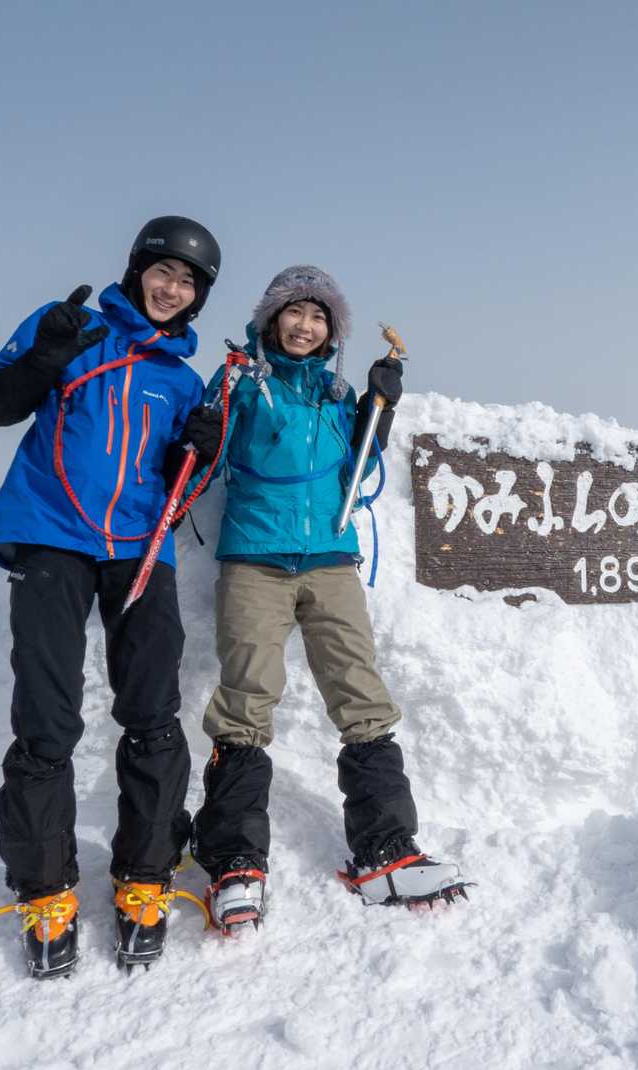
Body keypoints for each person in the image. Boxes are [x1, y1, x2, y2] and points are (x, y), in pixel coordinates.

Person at [0, 216, 226, 977]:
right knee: (46, 716)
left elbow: (179, 489)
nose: (172, 289)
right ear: (136, 269)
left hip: (138, 547)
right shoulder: (72, 327)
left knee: (152, 711)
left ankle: (146, 876)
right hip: (51, 535)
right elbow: (0, 404)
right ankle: (44, 889)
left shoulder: (181, 380)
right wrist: (46, 354)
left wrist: (200, 450)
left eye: (188, 283)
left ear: (198, 298)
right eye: (163, 272)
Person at [190, 265, 466, 933]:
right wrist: (203, 428)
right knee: (245, 701)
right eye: (294, 312)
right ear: (271, 319)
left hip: (332, 561)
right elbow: (207, 460)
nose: (305, 325)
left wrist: (378, 413)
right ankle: (234, 861)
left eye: (318, 316)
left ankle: (386, 848)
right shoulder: (240, 381)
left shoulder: (338, 395)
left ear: (332, 330)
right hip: (255, 559)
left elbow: (357, 470)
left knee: (362, 696)